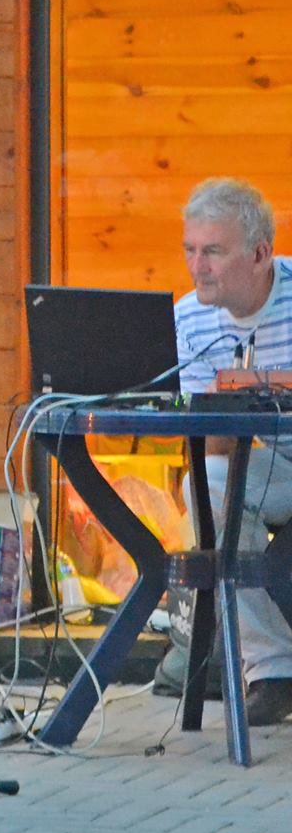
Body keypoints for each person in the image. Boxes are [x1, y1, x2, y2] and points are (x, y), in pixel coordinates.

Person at [173, 178, 292, 725]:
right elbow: (208, 435)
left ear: (261, 254)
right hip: (271, 466)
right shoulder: (189, 318)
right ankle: (272, 670)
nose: (198, 267)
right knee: (210, 479)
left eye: (213, 252)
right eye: (190, 250)